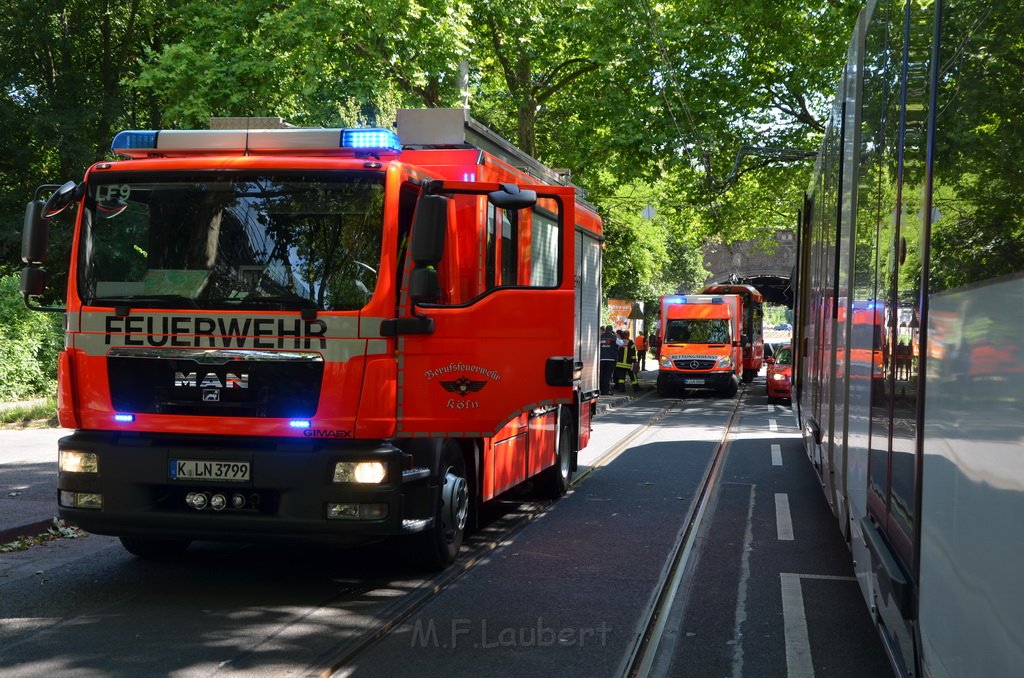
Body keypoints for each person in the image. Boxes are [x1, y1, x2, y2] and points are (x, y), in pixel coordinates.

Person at [599, 325, 617, 395]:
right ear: (611, 330)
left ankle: (600, 389)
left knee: (601, 375)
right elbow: (622, 343)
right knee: (608, 376)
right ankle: (606, 391)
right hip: (610, 359)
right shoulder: (614, 338)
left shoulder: (600, 337)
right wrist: (615, 335)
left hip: (601, 358)